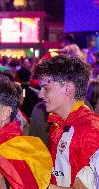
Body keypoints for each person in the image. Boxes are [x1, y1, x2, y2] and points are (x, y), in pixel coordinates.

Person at [32, 55, 99, 188]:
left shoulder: (91, 131)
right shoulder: (59, 124)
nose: (40, 94)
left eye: (46, 88)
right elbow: (58, 175)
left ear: (68, 88)